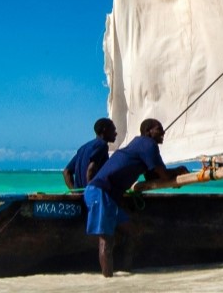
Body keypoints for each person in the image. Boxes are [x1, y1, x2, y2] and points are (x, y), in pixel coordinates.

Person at [84, 118, 189, 277]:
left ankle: (127, 272)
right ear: (148, 132)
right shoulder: (148, 144)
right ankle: (108, 282)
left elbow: (151, 176)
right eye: (159, 129)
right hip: (101, 192)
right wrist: (178, 171)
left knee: (133, 231)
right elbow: (164, 175)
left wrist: (174, 173)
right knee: (106, 241)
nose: (163, 132)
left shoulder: (139, 145)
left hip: (107, 196)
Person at [62, 118, 118, 190]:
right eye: (113, 130)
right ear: (105, 130)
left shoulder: (83, 148)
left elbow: (66, 172)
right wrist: (91, 191)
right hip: (92, 195)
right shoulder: (102, 145)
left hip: (81, 195)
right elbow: (91, 169)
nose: (116, 133)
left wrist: (74, 192)